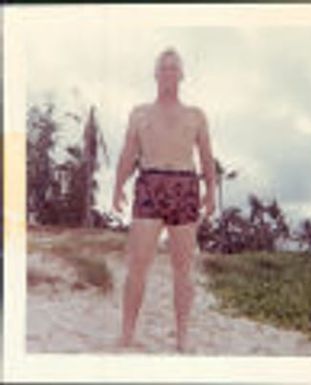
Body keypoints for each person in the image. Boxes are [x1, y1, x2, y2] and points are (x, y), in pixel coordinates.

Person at [112, 47, 216, 353]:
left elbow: (207, 156)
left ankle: (183, 336)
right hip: (150, 184)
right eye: (163, 67)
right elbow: (128, 153)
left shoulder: (196, 115)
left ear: (182, 75)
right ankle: (127, 333)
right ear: (155, 74)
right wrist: (117, 186)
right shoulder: (140, 113)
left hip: (185, 186)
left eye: (174, 68)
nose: (169, 72)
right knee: (138, 264)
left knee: (183, 268)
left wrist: (211, 191)